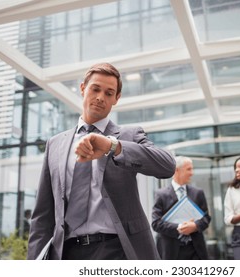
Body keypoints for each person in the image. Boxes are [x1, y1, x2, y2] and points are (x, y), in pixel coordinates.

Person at [27, 62, 176, 260]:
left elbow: (167, 166)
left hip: (118, 250)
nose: (100, 97)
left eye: (108, 93)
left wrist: (111, 146)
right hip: (66, 252)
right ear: (82, 89)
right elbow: (42, 217)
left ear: (117, 98)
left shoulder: (128, 135)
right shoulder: (55, 144)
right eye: (95, 89)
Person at [152, 156, 211, 260]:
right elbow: (156, 224)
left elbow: (206, 219)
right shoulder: (161, 195)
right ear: (177, 170)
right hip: (171, 251)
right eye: (189, 169)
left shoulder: (198, 193)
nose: (192, 173)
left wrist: (195, 225)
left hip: (196, 250)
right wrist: (179, 227)